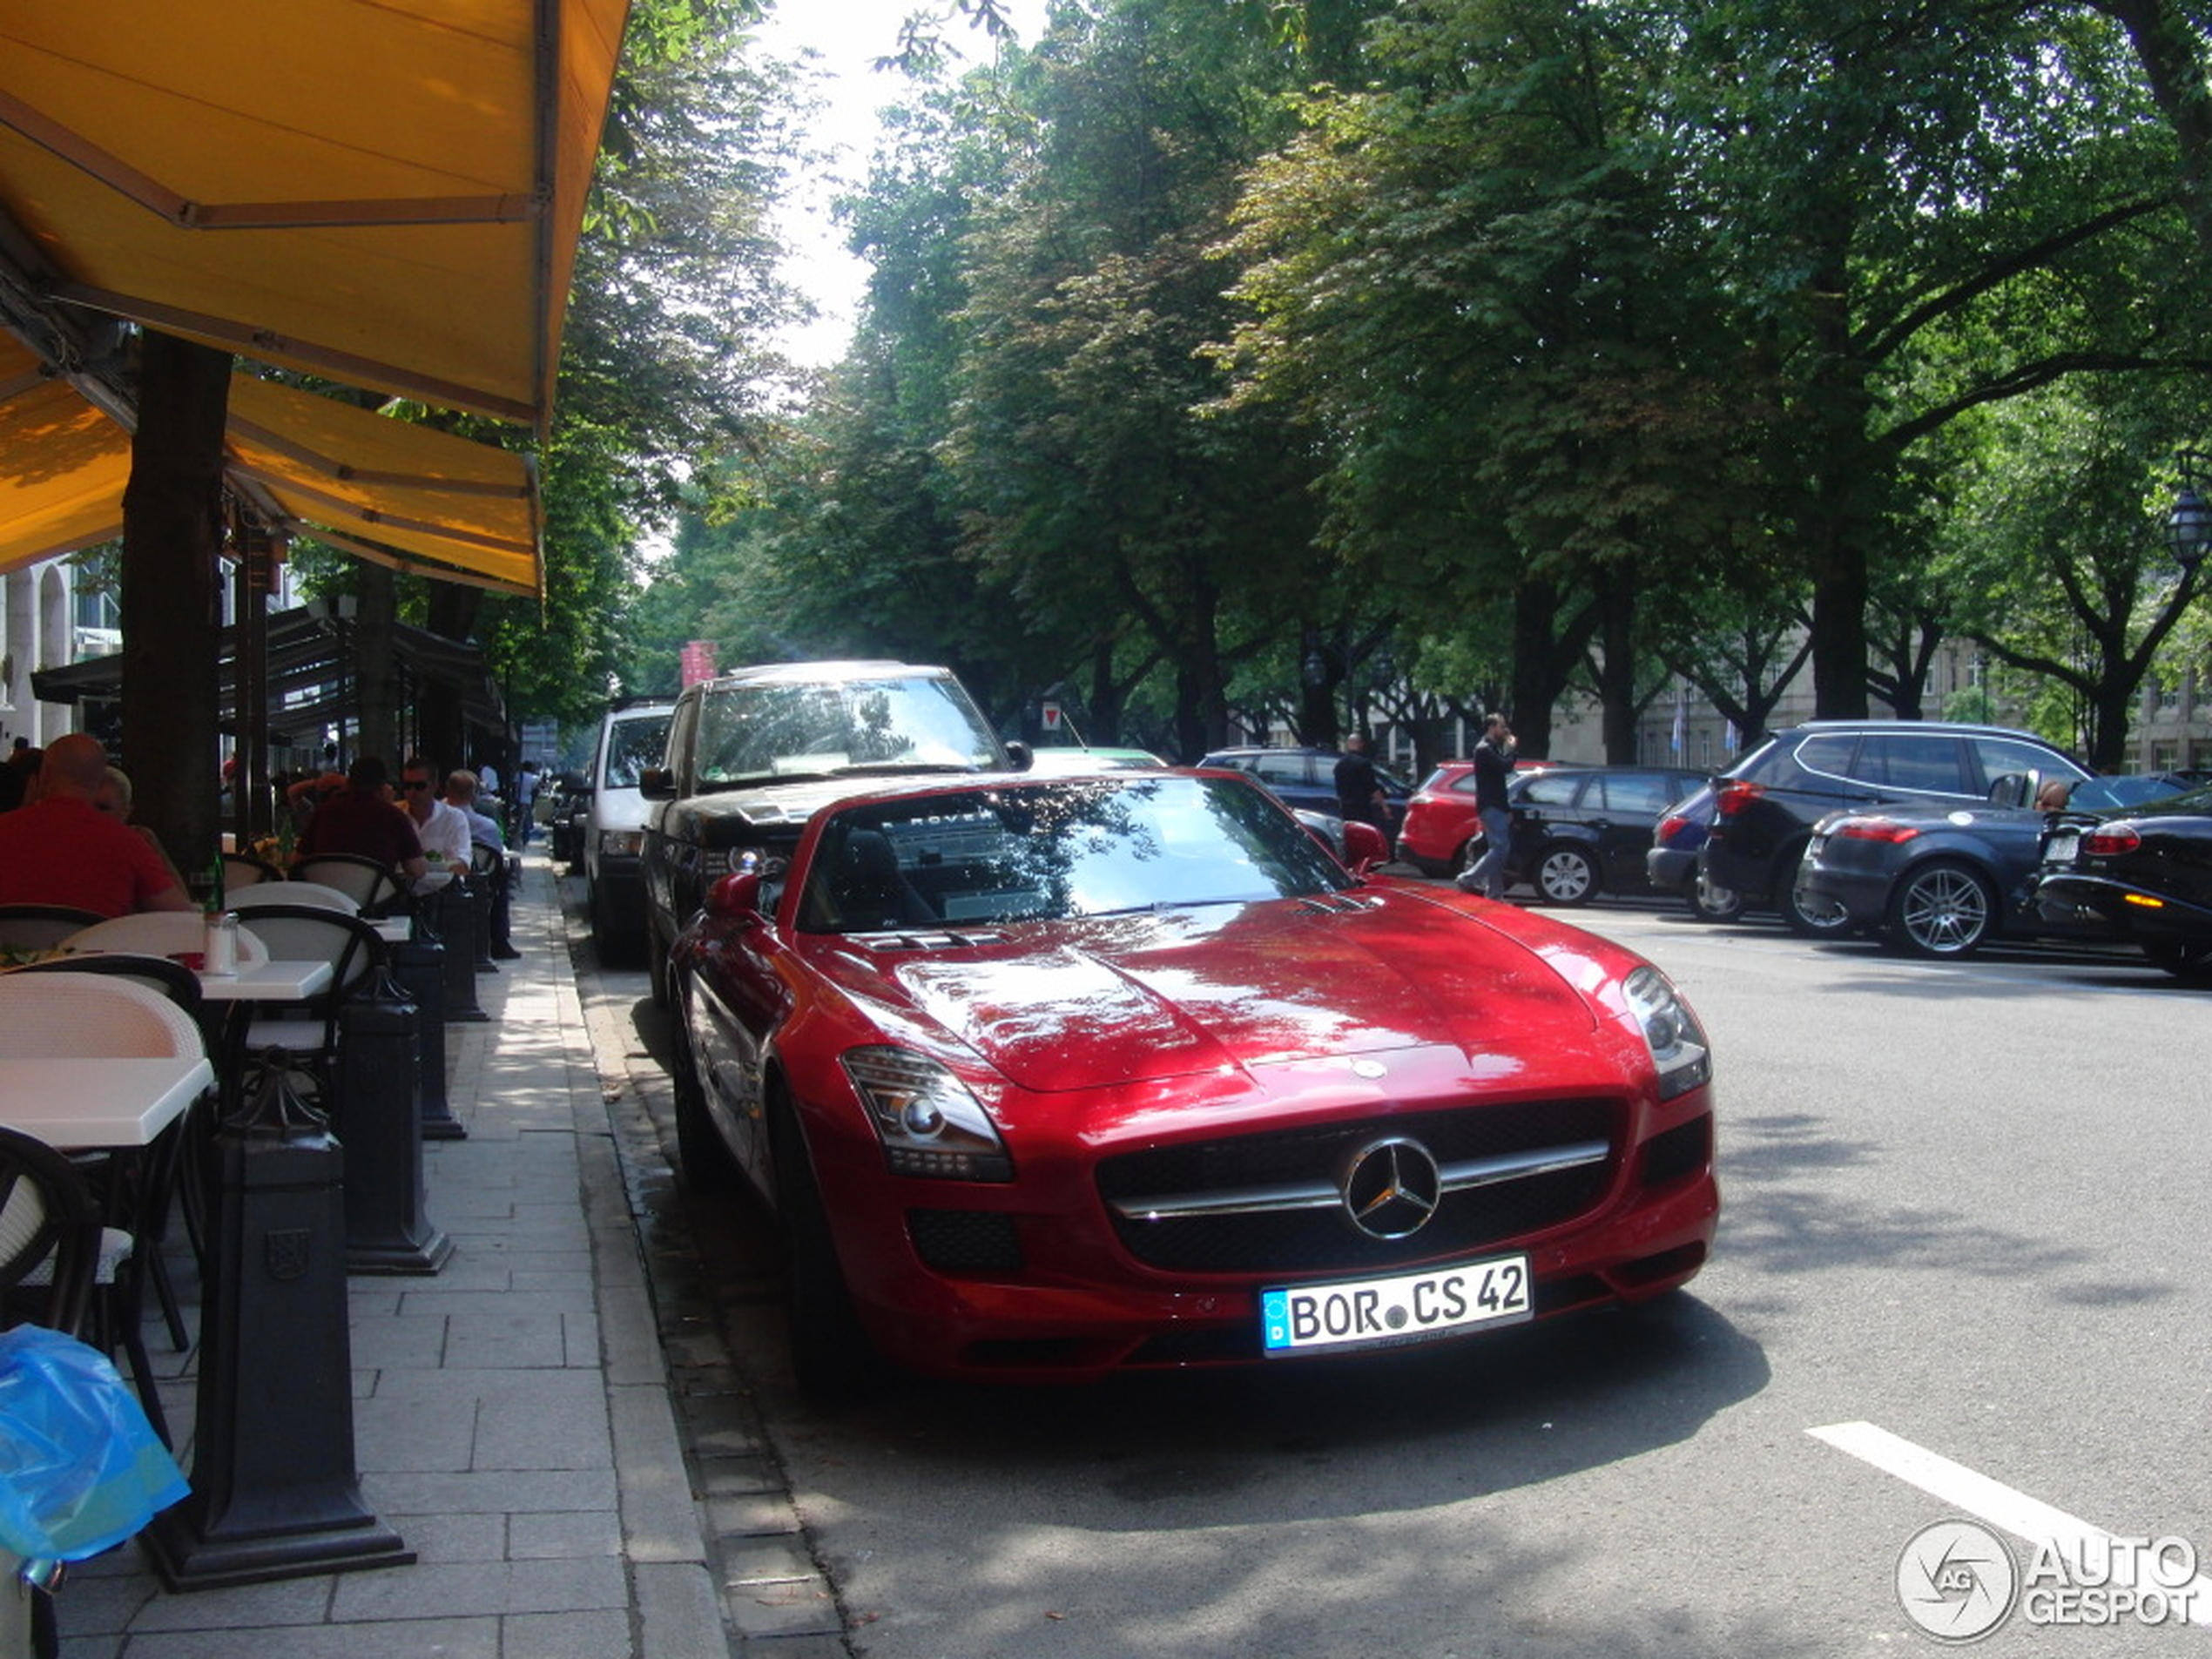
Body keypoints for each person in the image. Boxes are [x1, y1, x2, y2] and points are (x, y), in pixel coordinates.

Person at [0, 732, 196, 916]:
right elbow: (180, 915)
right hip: (96, 952)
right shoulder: (127, 843)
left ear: (45, 774)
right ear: (99, 780)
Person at [292, 754, 428, 889]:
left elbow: (297, 861)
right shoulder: (394, 816)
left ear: (349, 782)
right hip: (376, 903)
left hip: (331, 900)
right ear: (383, 785)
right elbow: (416, 870)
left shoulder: (324, 812)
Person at [447, 769, 520, 958]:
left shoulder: (440, 820)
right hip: (479, 884)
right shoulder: (487, 825)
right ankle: (499, 940)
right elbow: (497, 853)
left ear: (448, 791)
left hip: (444, 878)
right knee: (502, 877)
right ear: (473, 795)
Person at [92, 764, 189, 896]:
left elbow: (179, 901)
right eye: (86, 806)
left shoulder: (136, 841)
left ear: (126, 812)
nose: (92, 814)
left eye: (102, 808)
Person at [1456, 712, 1517, 900]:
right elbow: (1505, 767)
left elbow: (1500, 779)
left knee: (1496, 849)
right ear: (1492, 727)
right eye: (1501, 726)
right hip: (1491, 805)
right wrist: (1512, 749)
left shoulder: (1492, 748)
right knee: (1501, 848)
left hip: (1496, 805)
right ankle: (1468, 878)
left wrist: (1506, 809)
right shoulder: (1484, 749)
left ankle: (1495, 893)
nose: (1505, 730)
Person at [396, 756, 471, 894]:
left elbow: (463, 864)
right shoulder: (395, 814)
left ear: (435, 786)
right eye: (407, 786)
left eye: (420, 786)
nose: (412, 792)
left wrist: (435, 866)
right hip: (400, 892)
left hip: (442, 894)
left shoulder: (453, 818)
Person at [1332, 733, 1392, 847]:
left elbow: (1338, 788)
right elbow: (1372, 788)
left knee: (1350, 836)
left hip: (1345, 807)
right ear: (1360, 744)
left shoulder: (1339, 765)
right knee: (1366, 834)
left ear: (1348, 745)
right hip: (1362, 807)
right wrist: (1384, 806)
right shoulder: (1364, 764)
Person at [512, 759, 542, 845]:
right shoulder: (534, 778)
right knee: (526, 822)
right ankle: (525, 839)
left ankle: (516, 839)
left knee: (518, 821)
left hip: (519, 800)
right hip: (528, 801)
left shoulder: (518, 775)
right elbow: (536, 790)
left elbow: (514, 787)